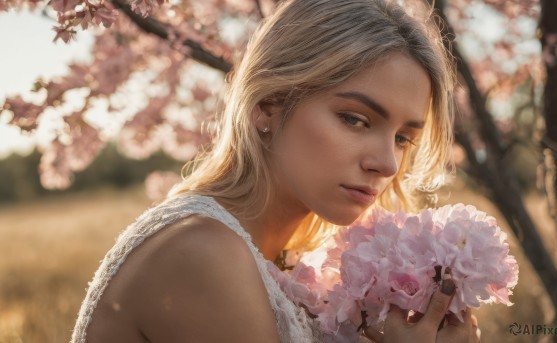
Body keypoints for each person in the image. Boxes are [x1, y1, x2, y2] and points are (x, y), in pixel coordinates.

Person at [71, 0, 481, 342]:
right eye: (355, 119)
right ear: (267, 106)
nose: (388, 164)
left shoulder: (292, 264)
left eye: (403, 138)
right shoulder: (202, 254)